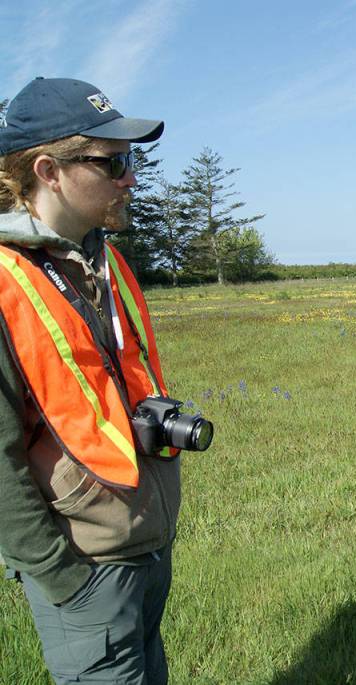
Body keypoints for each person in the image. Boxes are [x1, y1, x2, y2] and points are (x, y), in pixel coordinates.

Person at [0, 77, 179, 684]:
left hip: (144, 546)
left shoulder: (101, 262)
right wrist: (61, 576)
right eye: (114, 161)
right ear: (48, 170)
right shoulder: (5, 281)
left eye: (134, 160)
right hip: (84, 568)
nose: (131, 177)